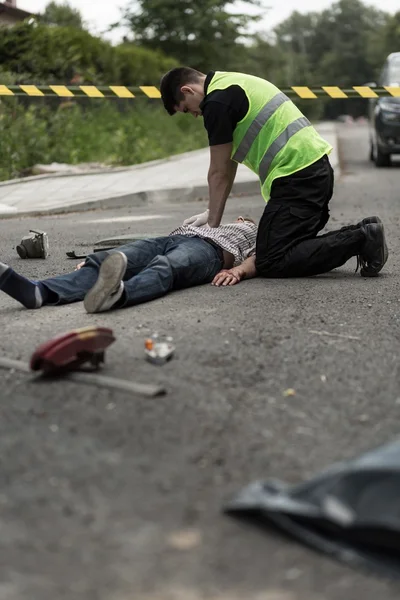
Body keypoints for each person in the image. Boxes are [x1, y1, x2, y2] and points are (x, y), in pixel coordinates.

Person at [160, 67, 388, 278]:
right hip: (314, 172)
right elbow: (228, 166)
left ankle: (362, 238)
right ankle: (364, 232)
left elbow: (218, 172)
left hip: (298, 179)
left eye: (188, 109)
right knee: (282, 248)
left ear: (187, 90)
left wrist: (211, 227)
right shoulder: (230, 81)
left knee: (271, 259)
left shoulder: (216, 103)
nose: (195, 115)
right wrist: (212, 214)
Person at [0, 217, 258, 313]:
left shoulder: (254, 231)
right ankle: (39, 292)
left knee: (165, 266)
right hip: (171, 239)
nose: (243, 219)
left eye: (247, 220)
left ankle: (119, 294)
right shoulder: (214, 218)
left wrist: (238, 270)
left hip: (207, 252)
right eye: (242, 219)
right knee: (109, 261)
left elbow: (261, 258)